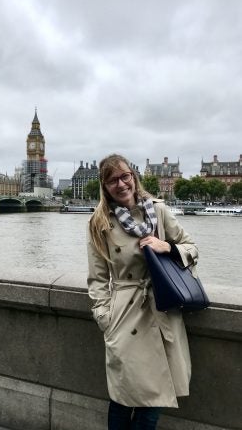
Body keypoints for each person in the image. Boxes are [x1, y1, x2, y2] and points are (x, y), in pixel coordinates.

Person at [87, 154, 198, 430]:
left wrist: (168, 247)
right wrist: (105, 318)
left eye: (125, 176)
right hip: (125, 318)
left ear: (134, 177)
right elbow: (98, 279)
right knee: (123, 398)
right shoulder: (99, 223)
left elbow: (192, 247)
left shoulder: (159, 211)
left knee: (154, 402)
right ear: (105, 187)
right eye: (113, 180)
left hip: (162, 314)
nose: (121, 184)